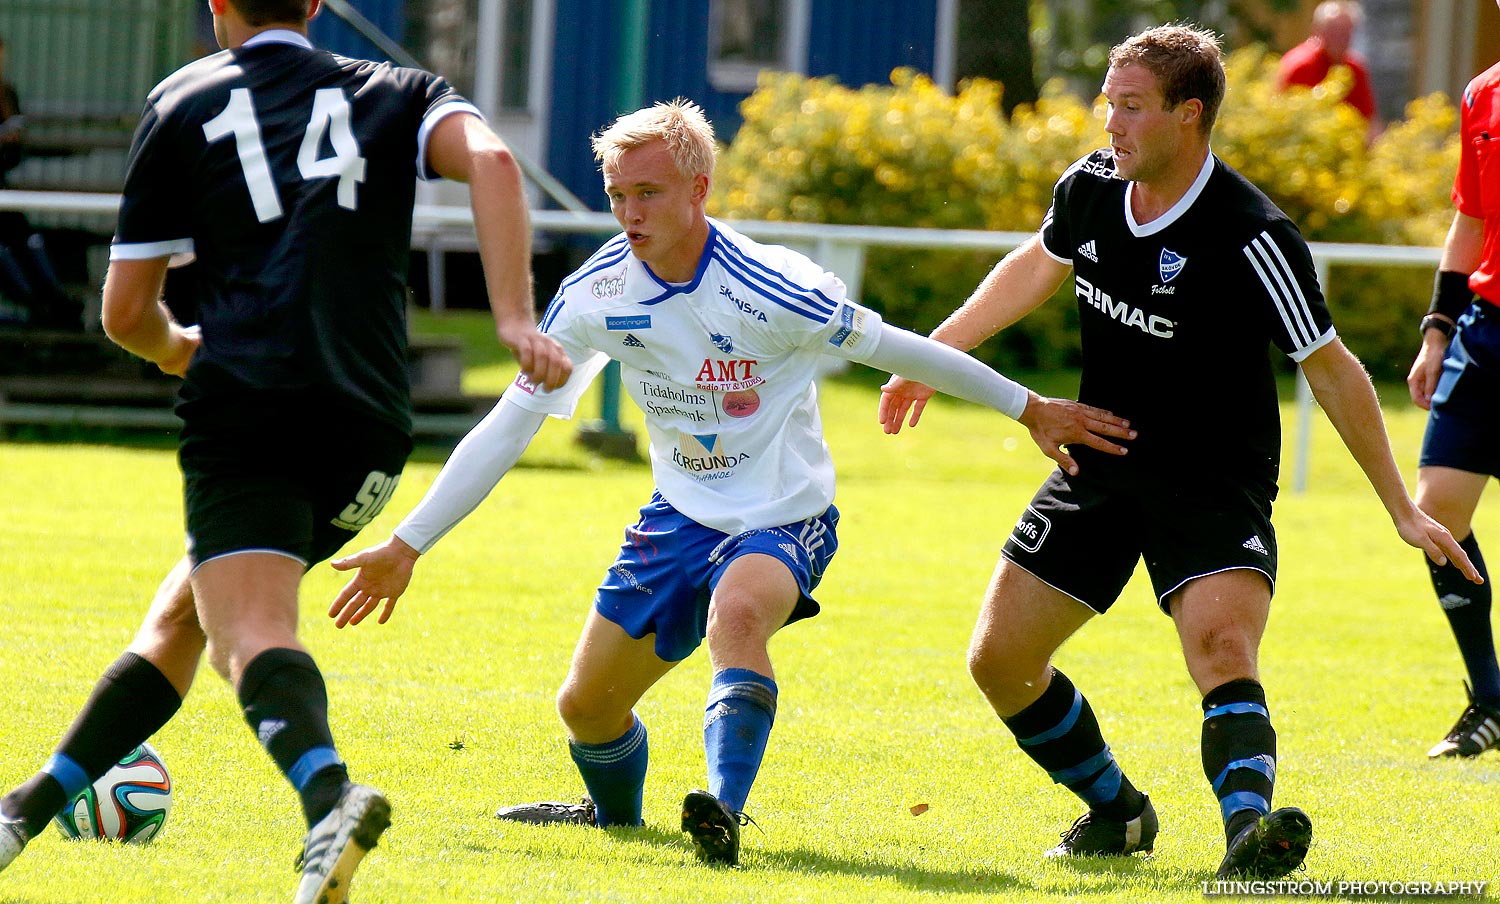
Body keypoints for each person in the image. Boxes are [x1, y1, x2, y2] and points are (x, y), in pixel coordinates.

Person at [326, 99, 1134, 867]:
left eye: (648, 192)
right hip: (680, 514)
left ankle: (723, 809)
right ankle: (614, 820)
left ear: (698, 190)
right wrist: (407, 542)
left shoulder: (772, 286)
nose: (629, 212)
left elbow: (897, 349)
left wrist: (1027, 406)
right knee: (587, 709)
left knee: (738, 616)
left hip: (786, 515)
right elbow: (510, 422)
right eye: (617, 195)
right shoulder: (596, 294)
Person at [0, 2, 570, 902]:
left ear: (218, 4)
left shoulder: (184, 101)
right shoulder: (396, 89)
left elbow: (123, 312)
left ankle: (328, 796)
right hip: (373, 421)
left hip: (251, 403)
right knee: (186, 614)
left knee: (248, 631)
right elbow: (495, 161)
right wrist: (512, 318)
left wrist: (176, 347)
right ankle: (21, 814)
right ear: (312, 4)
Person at [880, 24, 1477, 880]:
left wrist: (1400, 505)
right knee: (999, 661)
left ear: (1188, 115)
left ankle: (1249, 835)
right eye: (1108, 104)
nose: (1110, 124)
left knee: (1222, 647)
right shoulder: (1090, 187)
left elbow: (1334, 371)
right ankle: (1117, 812)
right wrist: (930, 358)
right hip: (1099, 460)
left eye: (1130, 107)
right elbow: (1033, 267)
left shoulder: (1252, 234)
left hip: (1212, 479)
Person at [1407, 15, 1500, 761]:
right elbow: (1469, 219)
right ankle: (1490, 700)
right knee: (1436, 510)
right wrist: (1438, 329)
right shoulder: (1482, 94)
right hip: (1485, 330)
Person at [0, 33, 81, 329]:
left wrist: (12, 140)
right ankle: (38, 309)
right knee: (5, 250)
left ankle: (53, 306)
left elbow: (12, 159)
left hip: (4, 197)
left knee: (30, 241)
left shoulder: (6, 93)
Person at [1276, 1, 1379, 138]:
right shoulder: (1301, 65)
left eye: (1345, 31)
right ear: (1316, 30)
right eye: (1333, 30)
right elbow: (1289, 123)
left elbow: (1370, 123)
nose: (1339, 37)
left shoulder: (1355, 69)